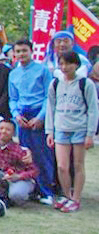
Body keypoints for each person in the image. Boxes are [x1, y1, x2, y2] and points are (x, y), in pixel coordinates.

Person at [45, 51, 99, 213]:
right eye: (61, 63)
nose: (64, 67)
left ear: (76, 65)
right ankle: (67, 195)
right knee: (62, 166)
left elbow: (93, 109)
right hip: (61, 128)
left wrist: (90, 133)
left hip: (80, 129)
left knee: (78, 165)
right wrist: (50, 131)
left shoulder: (85, 84)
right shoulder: (55, 84)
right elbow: (50, 108)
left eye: (68, 63)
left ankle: (76, 198)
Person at [8, 39, 55, 204]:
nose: (21, 54)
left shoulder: (42, 70)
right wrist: (16, 115)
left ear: (31, 51)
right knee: (25, 155)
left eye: (24, 51)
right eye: (18, 51)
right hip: (22, 117)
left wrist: (41, 117)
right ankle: (31, 189)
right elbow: (13, 98)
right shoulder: (13, 73)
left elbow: (48, 96)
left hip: (39, 115)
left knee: (42, 154)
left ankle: (47, 191)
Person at [0, 119, 39, 207]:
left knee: (17, 196)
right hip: (4, 176)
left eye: (8, 130)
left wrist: (19, 176)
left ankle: (26, 195)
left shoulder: (19, 150)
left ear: (13, 133)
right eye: (1, 128)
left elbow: (34, 171)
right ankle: (1, 196)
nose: (3, 131)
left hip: (20, 178)